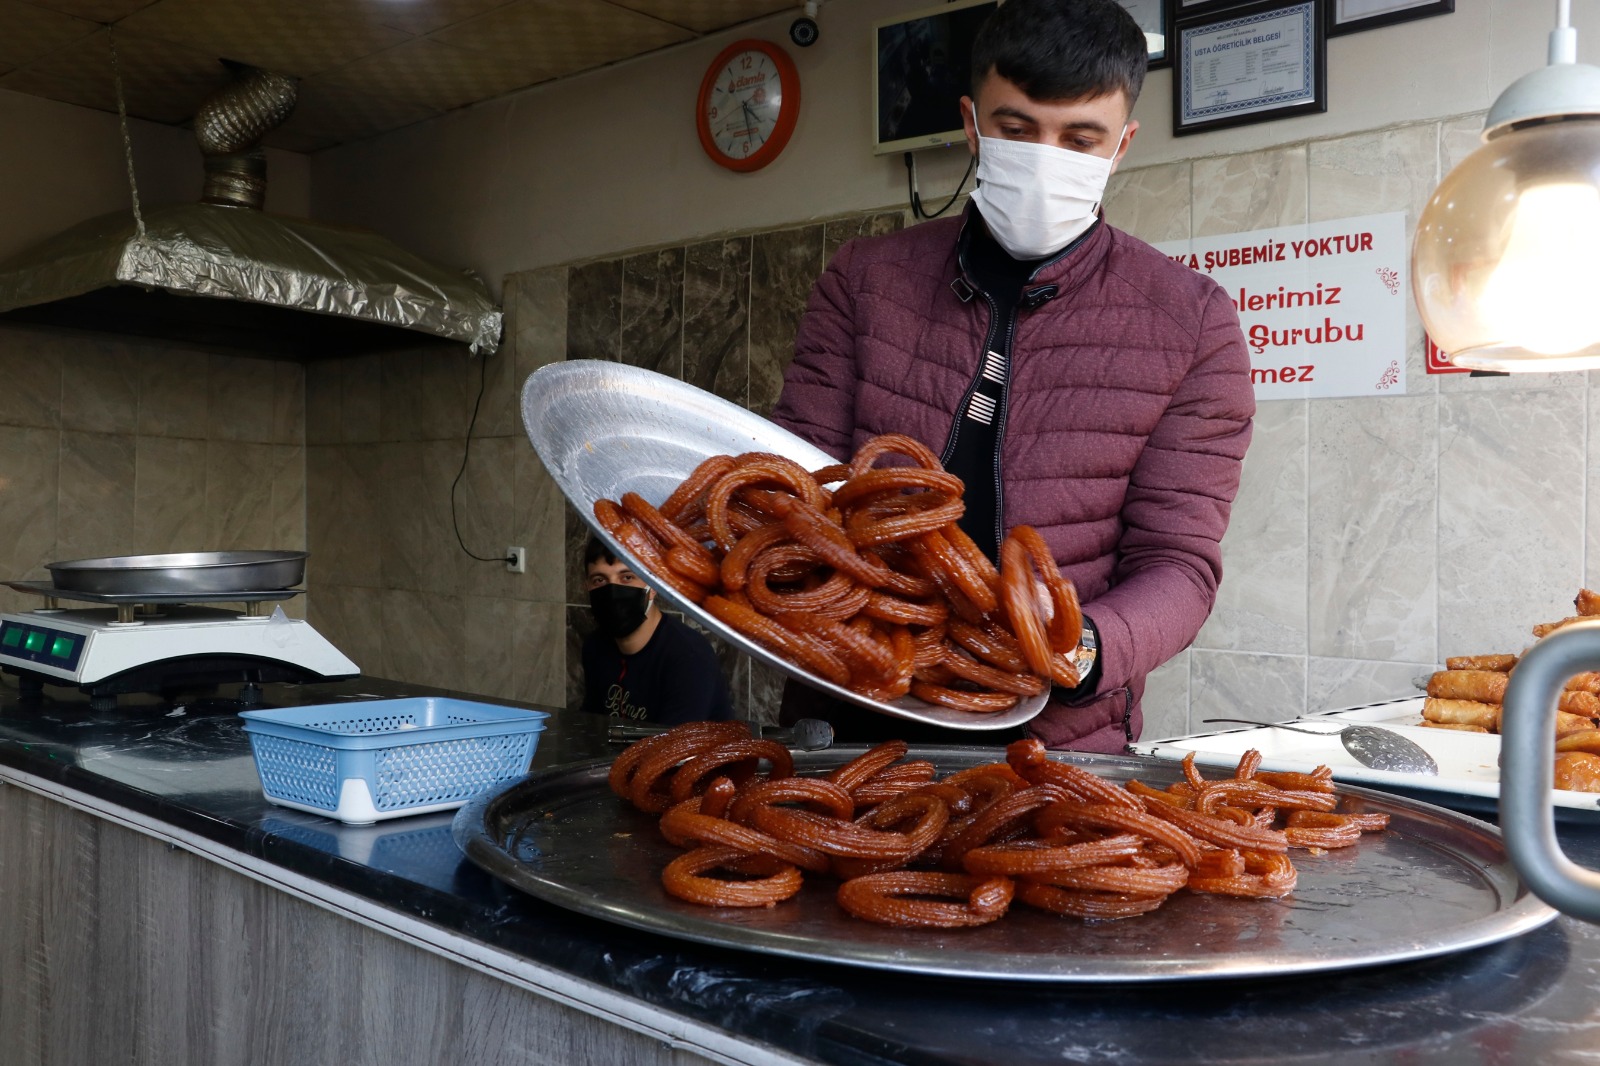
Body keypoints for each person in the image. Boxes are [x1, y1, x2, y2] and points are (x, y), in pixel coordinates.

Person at [770, 0, 1255, 753]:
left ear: (1121, 146)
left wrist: (1081, 649)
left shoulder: (1191, 321)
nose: (1045, 158)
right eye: (1018, 130)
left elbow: (1179, 566)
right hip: (851, 713)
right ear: (972, 125)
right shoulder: (866, 281)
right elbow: (797, 487)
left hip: (1055, 742)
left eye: (1079, 139)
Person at [580, 536, 736, 726]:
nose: (613, 591)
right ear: (588, 586)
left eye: (627, 577)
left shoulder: (689, 657)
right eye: (599, 580)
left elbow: (673, 749)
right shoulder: (595, 647)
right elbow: (591, 726)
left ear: (652, 586)